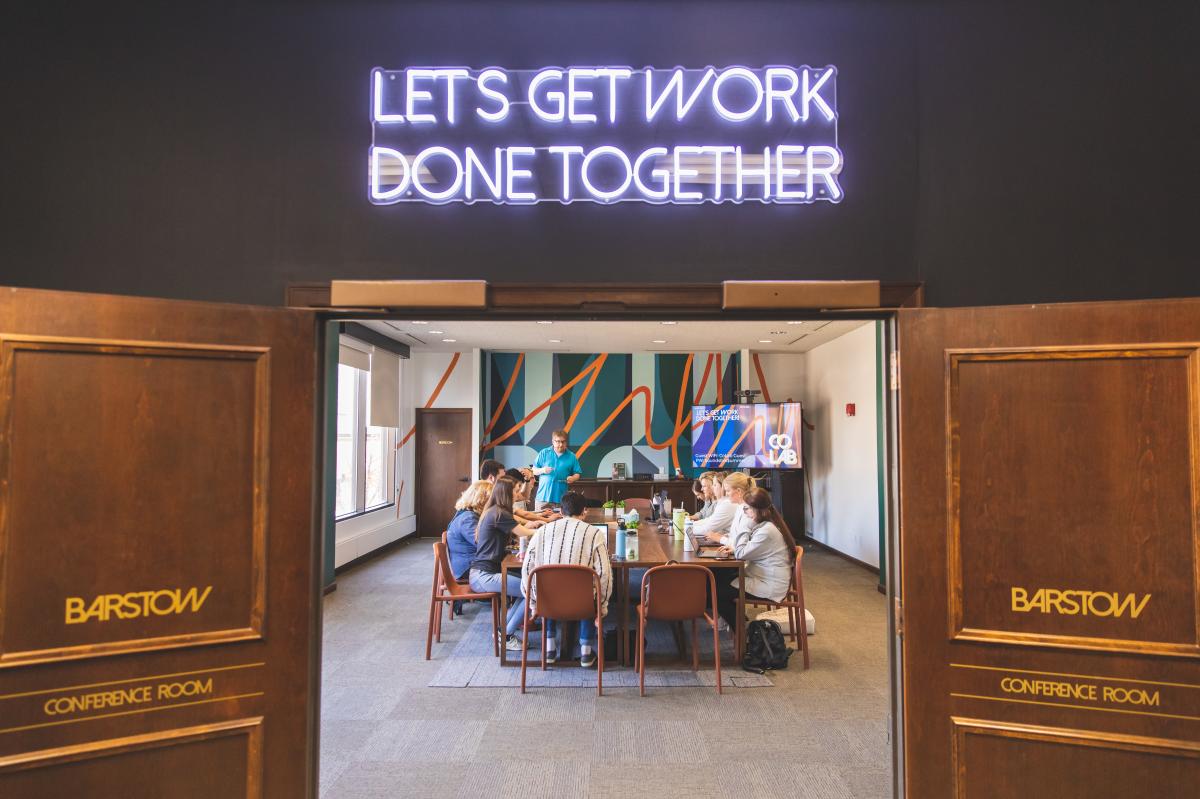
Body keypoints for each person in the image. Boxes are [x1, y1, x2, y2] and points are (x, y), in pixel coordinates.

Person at [520, 491, 612, 667]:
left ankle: (549, 648)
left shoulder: (541, 532)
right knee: (589, 587)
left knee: (548, 586)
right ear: (585, 511)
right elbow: (604, 574)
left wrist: (533, 601)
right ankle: (586, 651)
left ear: (560, 512)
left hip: (548, 601)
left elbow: (527, 569)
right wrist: (602, 605)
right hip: (582, 602)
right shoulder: (594, 533)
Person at [469, 477, 546, 651]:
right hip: (484, 575)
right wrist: (547, 528)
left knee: (525, 590)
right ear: (506, 493)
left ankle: (503, 632)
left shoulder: (494, 510)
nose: (518, 493)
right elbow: (524, 532)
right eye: (516, 490)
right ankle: (506, 635)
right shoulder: (499, 513)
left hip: (483, 572)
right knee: (533, 590)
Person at [712, 487, 796, 631]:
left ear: (758, 510)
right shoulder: (766, 526)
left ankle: (743, 632)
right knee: (718, 578)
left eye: (747, 509)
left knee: (717, 592)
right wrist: (737, 548)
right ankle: (742, 624)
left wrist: (745, 526)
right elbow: (746, 550)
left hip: (770, 585)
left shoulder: (766, 530)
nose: (745, 513)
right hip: (762, 576)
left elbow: (740, 554)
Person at [446, 480, 491, 581]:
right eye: (491, 499)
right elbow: (484, 544)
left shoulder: (468, 514)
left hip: (474, 563)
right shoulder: (468, 518)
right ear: (482, 499)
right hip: (468, 567)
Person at [531, 429, 582, 511]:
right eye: (558, 441)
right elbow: (533, 470)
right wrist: (543, 470)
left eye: (563, 441)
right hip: (543, 497)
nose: (561, 444)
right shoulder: (544, 453)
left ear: (566, 442)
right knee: (541, 523)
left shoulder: (572, 456)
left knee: (560, 523)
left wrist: (573, 478)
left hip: (561, 499)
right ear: (553, 441)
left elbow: (577, 474)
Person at [705, 471, 755, 545]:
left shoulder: (748, 512)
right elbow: (736, 535)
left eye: (728, 490)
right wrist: (725, 536)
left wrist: (720, 539)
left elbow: (741, 545)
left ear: (739, 491)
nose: (726, 494)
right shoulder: (740, 507)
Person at [691, 470, 736, 540]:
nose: (712, 488)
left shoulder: (728, 504)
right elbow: (709, 520)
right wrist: (689, 525)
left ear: (723, 487)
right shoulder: (722, 502)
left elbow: (707, 529)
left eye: (714, 485)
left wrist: (686, 528)